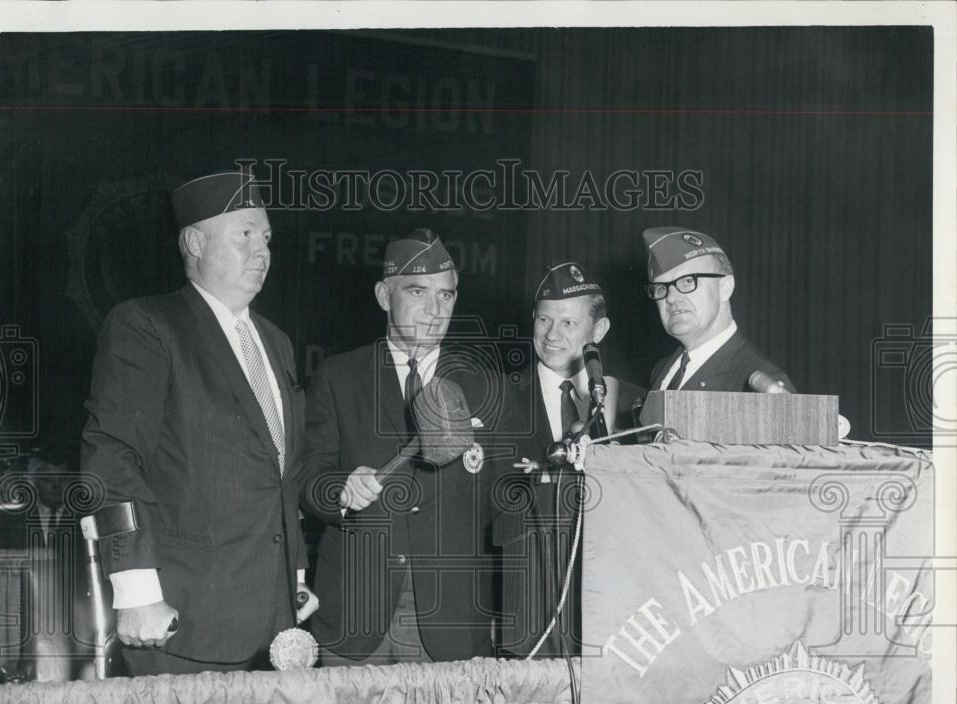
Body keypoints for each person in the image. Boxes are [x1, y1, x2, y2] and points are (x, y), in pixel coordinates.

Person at [80, 170, 317, 676]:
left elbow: (280, 475)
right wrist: (135, 588)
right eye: (245, 234)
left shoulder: (275, 342)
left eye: (267, 238)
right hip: (181, 621)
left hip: (275, 624)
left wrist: (293, 573)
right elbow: (110, 458)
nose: (262, 251)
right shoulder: (146, 325)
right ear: (193, 242)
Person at [300, 228, 499, 666]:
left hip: (449, 623)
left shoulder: (484, 387)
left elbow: (502, 507)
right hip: (355, 616)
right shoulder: (338, 377)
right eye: (417, 291)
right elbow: (306, 479)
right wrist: (340, 489)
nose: (434, 309)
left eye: (446, 296)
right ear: (383, 295)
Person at [493, 262, 645, 658]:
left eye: (568, 324)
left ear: (599, 331)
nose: (551, 335)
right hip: (523, 622)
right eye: (544, 319)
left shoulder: (633, 408)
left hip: (610, 622)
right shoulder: (494, 400)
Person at [643, 227, 796, 392]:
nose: (671, 298)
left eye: (687, 281)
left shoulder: (761, 385)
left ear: (724, 288)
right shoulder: (663, 370)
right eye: (660, 288)